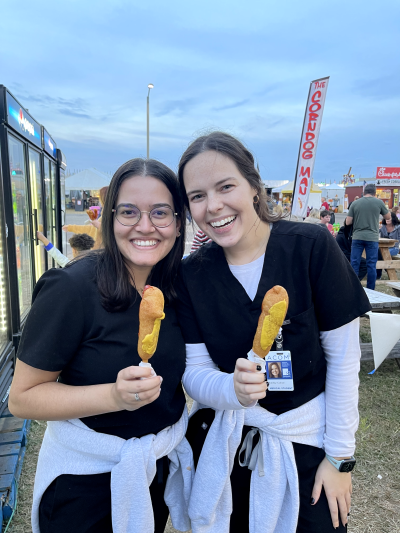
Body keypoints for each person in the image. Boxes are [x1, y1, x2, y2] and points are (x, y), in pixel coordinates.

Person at [176, 131, 371, 533]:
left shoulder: (311, 247)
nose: (213, 206)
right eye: (197, 196)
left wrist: (339, 459)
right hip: (229, 444)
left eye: (225, 186)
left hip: (307, 442)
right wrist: (231, 388)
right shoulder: (191, 274)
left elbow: (343, 360)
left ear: (253, 185)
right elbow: (194, 372)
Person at [9, 160, 192, 533]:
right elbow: (22, 399)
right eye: (129, 212)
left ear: (178, 223)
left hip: (150, 473)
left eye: (160, 212)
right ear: (110, 219)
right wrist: (114, 396)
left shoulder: (176, 288)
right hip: (83, 486)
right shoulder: (71, 289)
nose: (145, 226)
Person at [346, 184, 390, 290]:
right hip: (372, 237)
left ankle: (353, 288)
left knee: (354, 263)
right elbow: (388, 217)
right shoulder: (379, 202)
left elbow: (348, 222)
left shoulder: (355, 203)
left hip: (357, 236)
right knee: (371, 265)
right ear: (375, 192)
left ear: (364, 192)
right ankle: (371, 289)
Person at [376, 212, 400, 279]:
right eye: (386, 218)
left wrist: (393, 244)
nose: (387, 219)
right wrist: (378, 229)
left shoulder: (398, 227)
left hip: (394, 248)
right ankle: (385, 270)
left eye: (389, 218)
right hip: (382, 247)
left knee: (379, 254)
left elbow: (399, 239)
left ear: (393, 219)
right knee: (378, 253)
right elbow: (375, 234)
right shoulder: (383, 226)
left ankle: (379, 274)